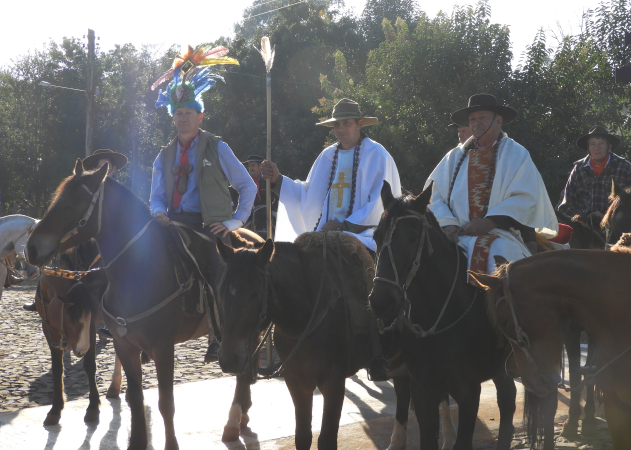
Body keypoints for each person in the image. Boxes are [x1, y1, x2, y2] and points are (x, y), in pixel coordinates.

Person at [150, 44, 256, 362]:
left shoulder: (217, 147)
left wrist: (234, 222)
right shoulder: (163, 155)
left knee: (217, 274)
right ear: (173, 117)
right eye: (178, 114)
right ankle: (133, 322)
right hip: (173, 223)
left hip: (210, 227)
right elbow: (155, 195)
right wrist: (157, 212)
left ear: (200, 115)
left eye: (189, 114)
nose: (183, 118)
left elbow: (247, 186)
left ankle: (219, 335)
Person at [428, 94, 558, 272]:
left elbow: (527, 197)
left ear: (498, 121)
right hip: (456, 235)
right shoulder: (453, 157)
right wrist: (448, 223)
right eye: (472, 119)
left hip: (500, 234)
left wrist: (490, 222)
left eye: (482, 117)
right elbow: (432, 194)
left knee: (504, 259)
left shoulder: (517, 154)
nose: (476, 123)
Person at [262, 98, 401, 252]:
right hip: (326, 235)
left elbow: (380, 204)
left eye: (347, 123)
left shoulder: (377, 155)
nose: (341, 128)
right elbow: (309, 194)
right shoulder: (327, 156)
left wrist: (342, 227)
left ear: (359, 124)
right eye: (337, 124)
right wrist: (278, 180)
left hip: (366, 236)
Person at [22, 149, 129, 313]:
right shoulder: (87, 188)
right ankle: (40, 297)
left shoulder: (120, 191)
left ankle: (117, 307)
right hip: (85, 232)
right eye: (100, 166)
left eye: (107, 166)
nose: (105, 170)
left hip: (107, 238)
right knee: (61, 252)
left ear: (113, 169)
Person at [557, 125, 631, 230]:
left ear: (609, 146)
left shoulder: (624, 167)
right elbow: (565, 206)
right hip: (585, 229)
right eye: (592, 144)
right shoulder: (578, 169)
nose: (597, 148)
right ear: (588, 148)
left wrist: (608, 217)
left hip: (616, 228)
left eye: (601, 143)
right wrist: (585, 217)